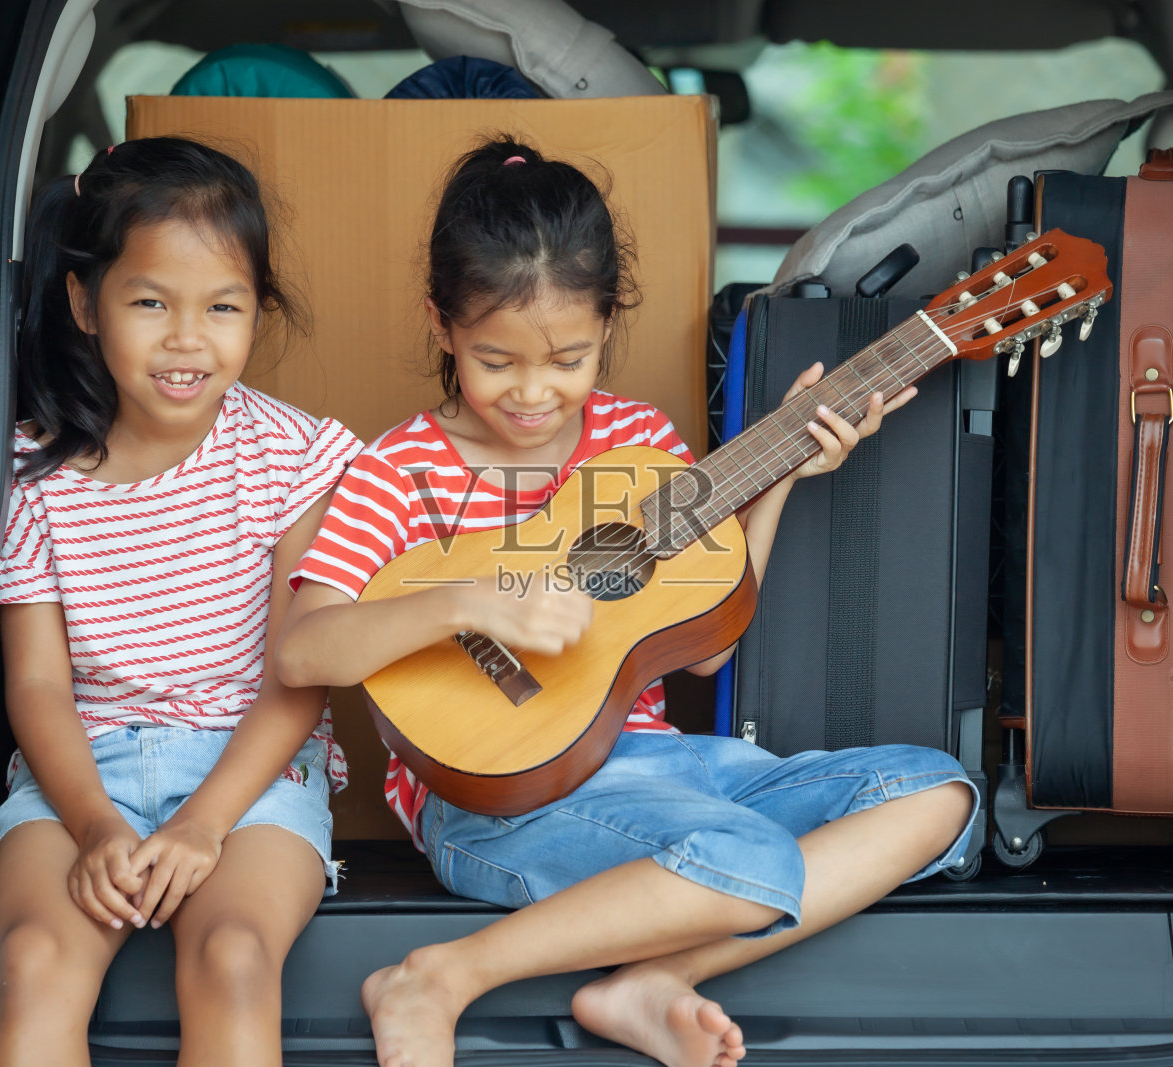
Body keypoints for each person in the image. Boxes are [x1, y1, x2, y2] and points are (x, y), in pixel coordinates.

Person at [277, 138, 977, 1067]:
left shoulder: (634, 441)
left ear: (609, 324)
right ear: (443, 327)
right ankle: (442, 975)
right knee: (755, 861)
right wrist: (476, 600)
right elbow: (302, 652)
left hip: (665, 772)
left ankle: (653, 979)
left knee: (940, 795)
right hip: (496, 802)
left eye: (567, 357)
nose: (532, 393)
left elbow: (702, 651)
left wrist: (782, 474)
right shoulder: (398, 470)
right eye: (496, 360)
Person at [0, 137, 361, 1067]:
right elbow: (37, 686)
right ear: (85, 303)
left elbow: (299, 669)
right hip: (82, 770)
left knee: (232, 958)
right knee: (32, 961)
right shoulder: (32, 476)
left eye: (223, 307)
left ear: (257, 312)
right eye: (150, 302)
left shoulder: (297, 458)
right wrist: (95, 824)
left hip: (256, 775)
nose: (188, 338)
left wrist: (203, 822)